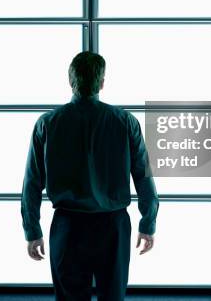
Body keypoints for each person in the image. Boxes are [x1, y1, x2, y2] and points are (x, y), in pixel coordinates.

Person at [21, 51, 159, 301]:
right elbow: (143, 177)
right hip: (113, 226)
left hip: (68, 226)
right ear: (102, 82)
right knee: (112, 297)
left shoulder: (48, 123)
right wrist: (147, 223)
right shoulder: (126, 121)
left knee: (70, 298)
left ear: (70, 81)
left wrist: (32, 230)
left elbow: (32, 183)